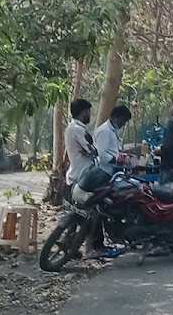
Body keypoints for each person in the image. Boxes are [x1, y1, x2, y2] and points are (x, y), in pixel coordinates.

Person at [64, 99, 121, 260]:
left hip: (79, 175)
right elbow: (92, 151)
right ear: (83, 112)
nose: (90, 115)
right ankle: (92, 247)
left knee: (79, 215)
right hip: (83, 177)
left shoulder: (74, 128)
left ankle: (72, 246)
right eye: (88, 112)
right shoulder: (77, 129)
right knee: (93, 212)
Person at [94, 105, 133, 174]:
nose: (124, 124)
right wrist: (117, 160)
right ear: (115, 118)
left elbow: (112, 149)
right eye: (123, 120)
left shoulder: (113, 130)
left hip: (112, 169)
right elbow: (102, 154)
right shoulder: (104, 130)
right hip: (104, 171)